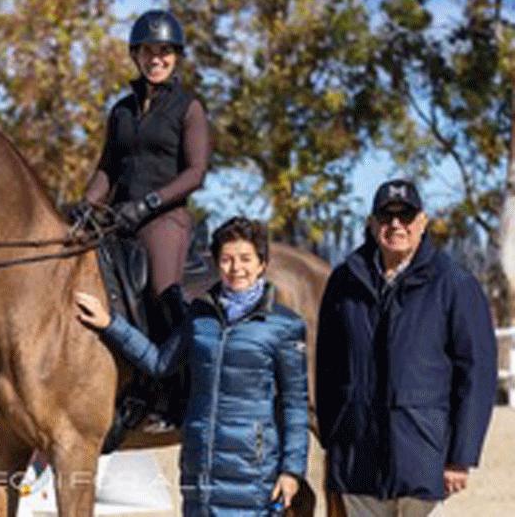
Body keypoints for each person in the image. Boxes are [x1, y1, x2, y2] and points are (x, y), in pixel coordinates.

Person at [75, 217, 309, 516]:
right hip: (200, 472)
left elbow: (294, 403)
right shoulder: (200, 316)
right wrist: (111, 324)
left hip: (252, 474)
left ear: (262, 264)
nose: (236, 268)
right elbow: (159, 363)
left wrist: (291, 471)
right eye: (227, 259)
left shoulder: (284, 325)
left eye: (245, 259)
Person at [316, 179, 497, 517]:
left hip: (424, 459)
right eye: (386, 216)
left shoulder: (455, 284)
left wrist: (461, 456)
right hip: (359, 460)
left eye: (406, 216)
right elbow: (327, 365)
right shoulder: (343, 282)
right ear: (372, 224)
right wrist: (335, 437)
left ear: (423, 222)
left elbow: (477, 374)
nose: (396, 225)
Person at [72, 9, 211, 341]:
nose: (156, 59)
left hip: (164, 218)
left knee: (163, 292)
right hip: (117, 215)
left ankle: (177, 366)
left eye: (165, 51)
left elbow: (196, 173)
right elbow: (107, 168)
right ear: (136, 54)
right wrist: (85, 205)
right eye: (148, 50)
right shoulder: (121, 110)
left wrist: (148, 204)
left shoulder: (188, 107)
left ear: (176, 56)